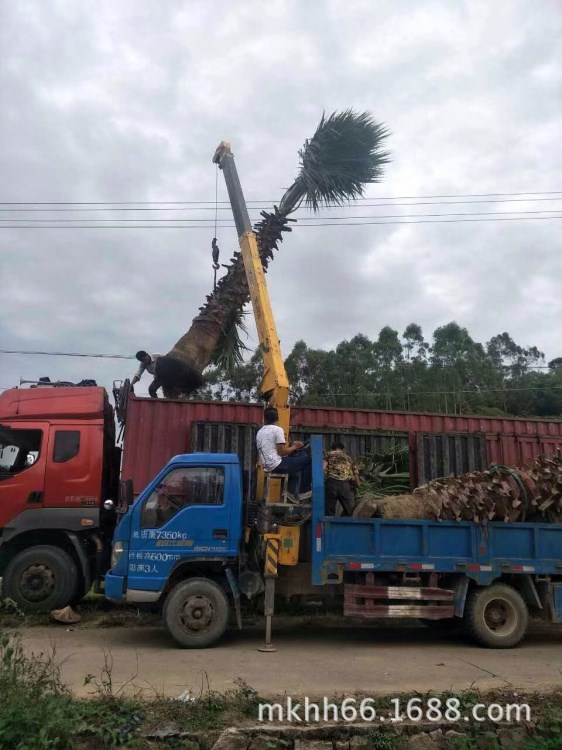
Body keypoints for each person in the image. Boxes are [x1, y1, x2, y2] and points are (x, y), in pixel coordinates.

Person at [256, 407, 311, 499]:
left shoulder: (260, 432)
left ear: (264, 418)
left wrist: (292, 447)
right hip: (278, 464)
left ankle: (289, 493)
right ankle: (304, 491)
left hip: (267, 466)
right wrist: (295, 447)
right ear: (277, 418)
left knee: (295, 471)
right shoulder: (278, 430)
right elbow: (282, 452)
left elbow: (273, 450)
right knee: (309, 460)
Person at [324, 441, 359, 516]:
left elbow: (323, 467)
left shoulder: (328, 454)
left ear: (332, 449)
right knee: (351, 511)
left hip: (331, 483)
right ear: (343, 449)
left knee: (330, 509)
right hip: (345, 485)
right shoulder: (348, 457)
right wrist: (357, 483)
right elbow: (355, 472)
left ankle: (329, 526)